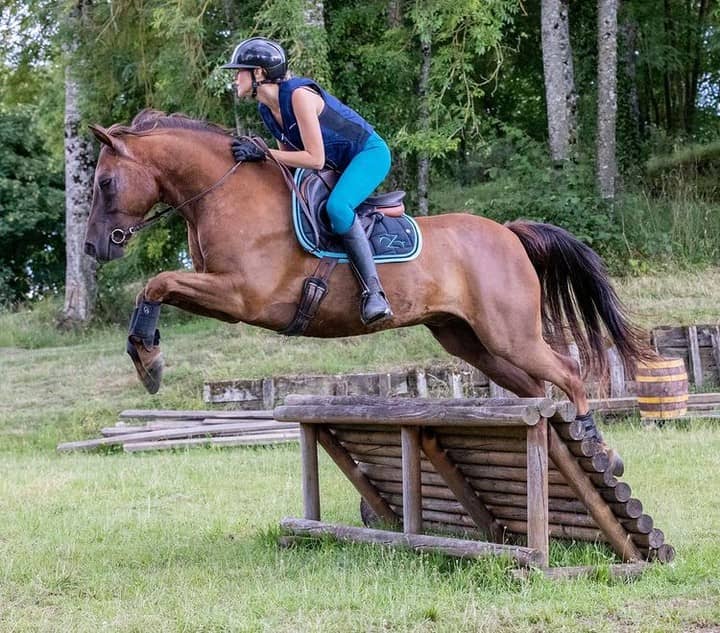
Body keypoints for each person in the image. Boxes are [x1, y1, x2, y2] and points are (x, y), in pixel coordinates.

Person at [221, 37, 393, 325]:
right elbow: (288, 158)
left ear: (259, 74)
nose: (235, 77)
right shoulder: (266, 110)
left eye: (240, 70)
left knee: (337, 208)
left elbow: (313, 158)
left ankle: (374, 293)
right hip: (335, 164)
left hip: (368, 155)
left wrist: (263, 152)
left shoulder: (299, 95)